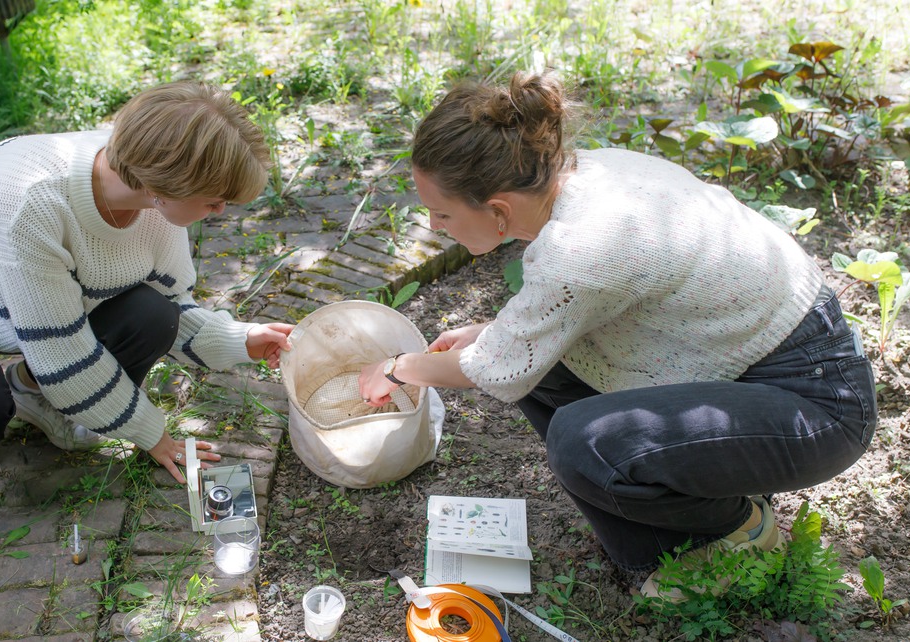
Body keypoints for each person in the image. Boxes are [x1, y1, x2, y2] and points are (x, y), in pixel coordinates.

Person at [357, 72, 876, 598]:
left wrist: (400, 367)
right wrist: (491, 332)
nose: (434, 224)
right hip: (775, 360)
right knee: (547, 371)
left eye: (442, 213)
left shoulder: (576, 251)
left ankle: (736, 533)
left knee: (583, 445)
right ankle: (675, 536)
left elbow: (492, 366)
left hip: (816, 404)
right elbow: (542, 331)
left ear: (498, 210)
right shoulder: (591, 175)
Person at [0, 82, 294, 507]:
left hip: (12, 298)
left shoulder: (150, 189)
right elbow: (62, 357)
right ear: (162, 190)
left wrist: (242, 339)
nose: (219, 213)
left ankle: (30, 392)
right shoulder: (33, 201)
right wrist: (152, 432)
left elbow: (173, 307)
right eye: (216, 202)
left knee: (153, 315)